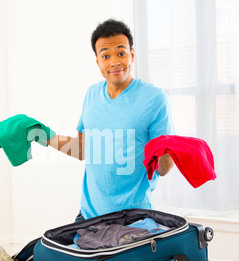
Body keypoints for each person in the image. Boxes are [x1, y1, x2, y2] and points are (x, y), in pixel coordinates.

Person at [46, 19, 175, 221]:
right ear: (97, 60)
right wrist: (44, 136)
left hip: (133, 219)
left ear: (132, 54)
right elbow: (82, 149)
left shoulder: (155, 99)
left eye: (121, 53)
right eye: (106, 55)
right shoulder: (91, 94)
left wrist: (174, 148)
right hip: (89, 217)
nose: (114, 61)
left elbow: (164, 169)